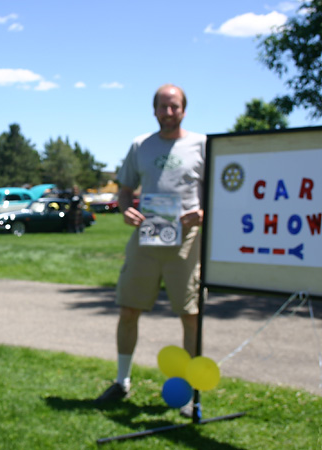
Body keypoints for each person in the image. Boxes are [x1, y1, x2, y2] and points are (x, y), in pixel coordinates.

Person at [94, 84, 206, 417]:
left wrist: (201, 214)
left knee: (189, 315)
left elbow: (217, 194)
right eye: (162, 107)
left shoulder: (202, 145)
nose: (168, 113)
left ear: (184, 109)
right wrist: (125, 208)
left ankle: (189, 391)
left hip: (186, 239)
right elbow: (125, 190)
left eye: (174, 107)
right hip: (148, 236)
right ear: (154, 110)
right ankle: (121, 381)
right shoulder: (140, 145)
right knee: (128, 309)